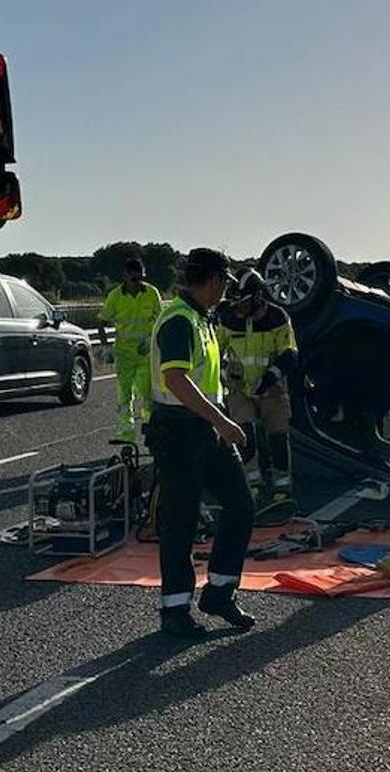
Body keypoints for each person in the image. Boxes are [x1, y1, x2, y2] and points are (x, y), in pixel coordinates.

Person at [145, 248, 255, 637]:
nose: (226, 292)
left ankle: (220, 593)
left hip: (204, 429)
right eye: (225, 283)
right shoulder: (179, 319)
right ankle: (175, 611)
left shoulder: (201, 318)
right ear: (213, 280)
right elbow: (175, 379)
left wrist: (218, 421)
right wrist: (222, 421)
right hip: (179, 432)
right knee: (180, 522)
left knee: (241, 505)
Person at [217, 268, 299, 507]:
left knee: (277, 436)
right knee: (245, 434)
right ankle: (251, 484)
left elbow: (289, 353)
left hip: (271, 388)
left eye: (242, 303)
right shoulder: (229, 318)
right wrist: (225, 376)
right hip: (239, 388)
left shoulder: (278, 318)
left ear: (257, 297)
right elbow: (216, 349)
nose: (237, 309)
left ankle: (282, 487)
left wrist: (268, 380)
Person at [98, 257, 163, 443]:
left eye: (141, 278)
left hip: (146, 352)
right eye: (134, 279)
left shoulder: (152, 293)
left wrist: (151, 339)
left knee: (147, 393)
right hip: (124, 353)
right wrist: (105, 347)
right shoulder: (115, 297)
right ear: (125, 277)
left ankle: (152, 432)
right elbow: (101, 323)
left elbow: (161, 320)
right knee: (124, 396)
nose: (138, 283)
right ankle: (126, 436)